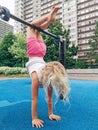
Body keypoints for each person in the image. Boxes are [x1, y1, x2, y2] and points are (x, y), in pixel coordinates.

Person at [26, 6, 60, 128]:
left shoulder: (46, 75)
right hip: (36, 54)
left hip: (41, 53)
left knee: (35, 28)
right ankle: (49, 18)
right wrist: (49, 114)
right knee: (33, 27)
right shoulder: (45, 79)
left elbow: (35, 99)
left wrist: (36, 117)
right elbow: (39, 99)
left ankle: (50, 19)